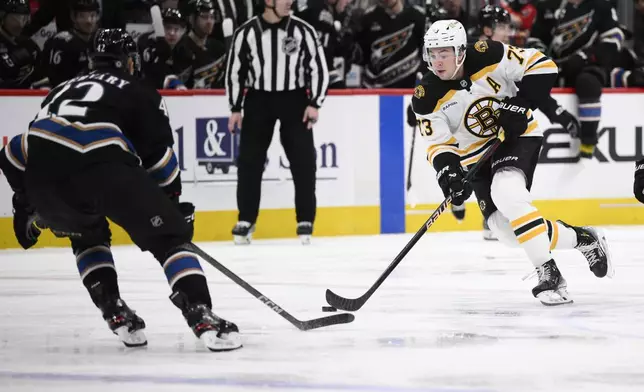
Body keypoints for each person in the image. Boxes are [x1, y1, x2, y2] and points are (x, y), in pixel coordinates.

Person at [0, 28, 242, 352]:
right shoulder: (139, 90)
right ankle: (200, 313)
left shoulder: (58, 91)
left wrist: (24, 201)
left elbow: (13, 153)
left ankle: (113, 309)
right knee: (170, 239)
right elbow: (160, 160)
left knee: (85, 233)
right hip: (103, 165)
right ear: (129, 63)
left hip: (44, 178)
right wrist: (172, 205)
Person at [411, 20, 613, 305]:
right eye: (432, 54)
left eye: (444, 53)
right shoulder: (425, 96)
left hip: (517, 138)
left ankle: (549, 272)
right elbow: (439, 145)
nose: (438, 61)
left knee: (508, 192)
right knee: (504, 230)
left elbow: (543, 65)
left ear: (460, 51)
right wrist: (449, 175)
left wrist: (519, 105)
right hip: (476, 158)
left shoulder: (488, 54)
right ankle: (584, 239)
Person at [226, 0, 329, 245]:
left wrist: (315, 102)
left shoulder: (303, 30)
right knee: (250, 161)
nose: (290, 2)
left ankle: (305, 219)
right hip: (258, 100)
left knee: (303, 161)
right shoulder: (246, 32)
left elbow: (318, 68)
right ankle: (246, 219)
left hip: (294, 99)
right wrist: (235, 107)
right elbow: (235, 71)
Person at [474, 5, 581, 241]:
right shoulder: (469, 57)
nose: (508, 33)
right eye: (502, 27)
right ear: (487, 30)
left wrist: (558, 114)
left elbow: (531, 92)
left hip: (502, 128)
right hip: (475, 130)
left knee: (504, 181)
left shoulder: (504, 55)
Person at [529, 0, 624, 159]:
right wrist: (542, 56)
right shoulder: (547, 6)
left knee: (588, 83)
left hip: (588, 65)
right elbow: (534, 39)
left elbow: (614, 39)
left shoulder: (601, 7)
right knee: (530, 84)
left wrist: (586, 56)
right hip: (553, 67)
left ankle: (588, 140)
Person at [41, 0, 100, 88]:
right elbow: (57, 81)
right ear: (73, 17)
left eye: (92, 15)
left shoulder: (100, 41)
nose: (89, 21)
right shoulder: (62, 43)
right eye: (82, 16)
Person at [0, 0, 42, 88]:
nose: (21, 24)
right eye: (15, 18)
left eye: (24, 18)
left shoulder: (29, 44)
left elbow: (42, 73)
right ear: (2, 17)